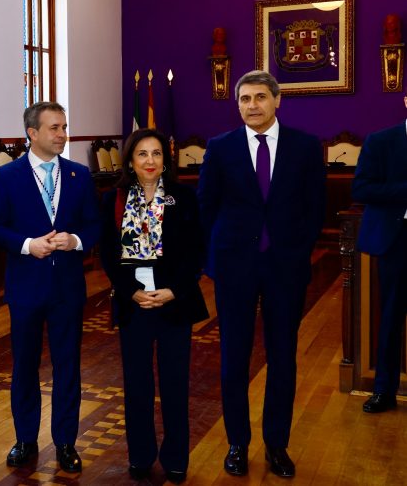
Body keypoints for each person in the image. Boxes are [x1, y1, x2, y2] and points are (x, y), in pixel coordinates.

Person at [197, 70, 326, 478]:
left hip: (285, 269)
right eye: (244, 99)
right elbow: (206, 207)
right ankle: (237, 442)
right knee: (233, 356)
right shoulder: (220, 148)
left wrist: (297, 252)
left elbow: (314, 208)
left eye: (259, 98)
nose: (252, 105)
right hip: (235, 268)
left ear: (277, 101)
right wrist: (213, 256)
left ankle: (276, 444)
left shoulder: (305, 147)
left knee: (282, 357)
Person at [0, 101, 100, 474]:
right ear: (32, 133)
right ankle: (25, 440)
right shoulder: (7, 178)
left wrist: (76, 240)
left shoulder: (80, 175)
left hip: (67, 286)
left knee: (68, 366)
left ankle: (66, 443)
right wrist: (27, 245)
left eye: (65, 127)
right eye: (54, 128)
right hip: (26, 287)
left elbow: (94, 227)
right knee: (25, 366)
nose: (62, 134)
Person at [98, 129, 208, 484]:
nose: (149, 161)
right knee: (137, 384)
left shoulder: (184, 198)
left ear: (165, 160)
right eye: (142, 154)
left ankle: (176, 458)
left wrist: (174, 289)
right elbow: (108, 255)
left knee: (176, 383)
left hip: (174, 302)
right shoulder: (113, 200)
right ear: (130, 160)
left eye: (156, 154)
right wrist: (130, 290)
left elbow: (196, 251)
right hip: (134, 304)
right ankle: (141, 455)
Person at [353, 93, 407, 414]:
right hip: (397, 240)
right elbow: (361, 189)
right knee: (390, 317)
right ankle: (384, 391)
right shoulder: (382, 141)